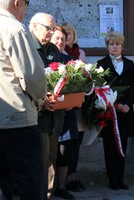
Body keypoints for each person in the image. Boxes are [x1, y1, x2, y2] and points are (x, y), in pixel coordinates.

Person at [0, 0, 47, 200]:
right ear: (17, 3)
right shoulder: (14, 28)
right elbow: (32, 76)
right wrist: (40, 100)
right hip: (16, 118)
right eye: (26, 2)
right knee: (30, 179)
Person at [29, 12, 65, 199]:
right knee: (38, 158)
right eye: (48, 28)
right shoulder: (26, 45)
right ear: (35, 26)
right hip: (34, 111)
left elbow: (57, 77)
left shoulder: (53, 49)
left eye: (53, 28)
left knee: (51, 157)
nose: (52, 32)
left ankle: (48, 194)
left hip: (53, 112)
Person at [96, 32, 134, 190]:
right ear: (107, 46)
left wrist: (127, 104)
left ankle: (120, 177)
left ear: (122, 45)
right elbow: (100, 88)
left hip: (126, 112)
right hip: (110, 111)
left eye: (117, 44)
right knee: (110, 145)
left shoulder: (129, 64)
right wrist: (116, 105)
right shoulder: (101, 63)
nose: (115, 46)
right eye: (111, 44)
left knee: (123, 145)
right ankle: (111, 177)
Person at [50, 26, 77, 199]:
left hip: (68, 113)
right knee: (50, 153)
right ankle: (48, 188)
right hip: (49, 113)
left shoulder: (70, 61)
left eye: (62, 39)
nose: (60, 42)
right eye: (57, 39)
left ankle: (61, 186)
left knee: (65, 152)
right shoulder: (45, 58)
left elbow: (78, 86)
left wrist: (72, 101)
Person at [61, 22, 86, 191]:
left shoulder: (80, 52)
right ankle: (62, 178)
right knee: (65, 143)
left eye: (69, 33)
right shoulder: (58, 53)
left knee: (76, 141)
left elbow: (85, 75)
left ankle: (73, 175)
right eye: (64, 34)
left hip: (79, 105)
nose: (67, 37)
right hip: (64, 105)